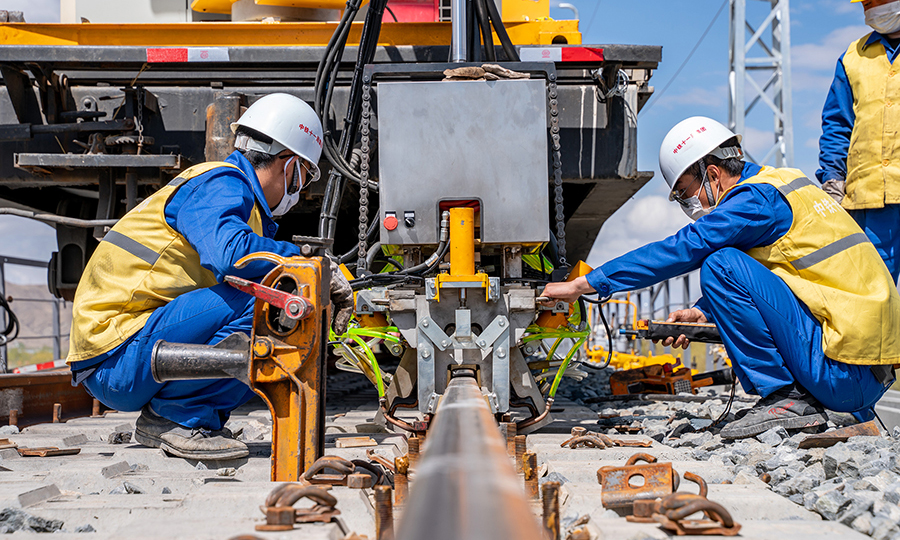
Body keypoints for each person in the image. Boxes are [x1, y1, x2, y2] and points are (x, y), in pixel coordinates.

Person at [542, 116, 900, 439]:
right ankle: (799, 398)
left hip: (843, 374)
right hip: (863, 371)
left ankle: (784, 397)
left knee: (719, 263)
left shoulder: (753, 201)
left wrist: (586, 283)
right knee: (728, 262)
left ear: (712, 174)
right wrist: (703, 312)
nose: (688, 205)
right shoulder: (784, 182)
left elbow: (683, 248)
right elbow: (781, 276)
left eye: (684, 193)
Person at [66, 93, 353, 459]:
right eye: (303, 179)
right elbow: (230, 255)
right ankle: (179, 417)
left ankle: (188, 418)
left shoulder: (236, 199)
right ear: (291, 165)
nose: (299, 191)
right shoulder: (219, 183)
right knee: (269, 300)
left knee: (275, 296)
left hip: (131, 351)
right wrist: (313, 266)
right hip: (117, 355)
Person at [817, 0, 900, 282]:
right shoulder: (853, 57)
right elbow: (838, 125)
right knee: (875, 295)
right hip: (868, 201)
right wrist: (832, 180)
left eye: (879, 1)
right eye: (867, 2)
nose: (872, 7)